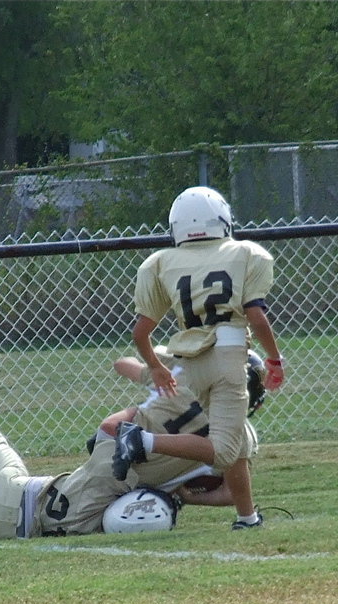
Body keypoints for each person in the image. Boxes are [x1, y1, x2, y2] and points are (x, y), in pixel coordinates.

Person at [0, 352, 267, 549]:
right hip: (40, 523)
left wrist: (157, 367)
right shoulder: (236, 434)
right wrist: (197, 499)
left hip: (26, 496)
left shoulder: (174, 389)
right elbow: (235, 490)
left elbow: (114, 400)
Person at [111, 186, 285, 530]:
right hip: (229, 357)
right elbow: (257, 316)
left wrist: (157, 368)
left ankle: (247, 518)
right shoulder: (247, 254)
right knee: (222, 449)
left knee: (232, 443)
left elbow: (139, 334)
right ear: (223, 220)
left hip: (192, 363)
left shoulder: (162, 262)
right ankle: (140, 440)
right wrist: (275, 359)